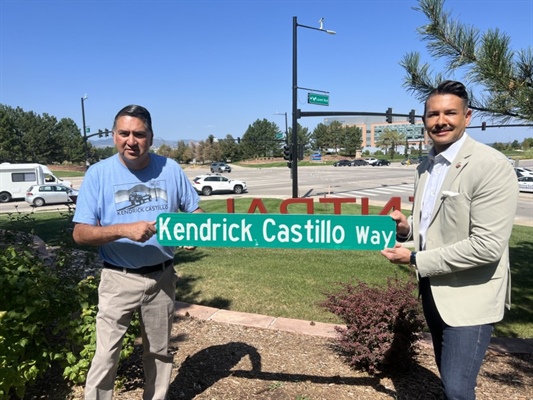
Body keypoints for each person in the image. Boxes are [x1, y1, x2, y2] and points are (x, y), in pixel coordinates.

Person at [380, 80, 518, 400]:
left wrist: (414, 259)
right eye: (433, 114)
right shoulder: (426, 166)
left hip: (471, 296)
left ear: (467, 117)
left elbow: (487, 246)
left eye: (450, 113)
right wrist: (405, 230)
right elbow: (435, 227)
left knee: (457, 388)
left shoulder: (490, 165)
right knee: (448, 377)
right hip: (433, 289)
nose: (440, 120)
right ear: (424, 120)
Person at [73, 104, 203, 399]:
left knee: (158, 352)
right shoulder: (98, 174)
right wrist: (123, 229)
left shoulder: (170, 169)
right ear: (114, 135)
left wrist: (192, 230)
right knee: (106, 354)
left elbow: (195, 211)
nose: (131, 141)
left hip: (162, 278)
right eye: (124, 133)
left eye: (139, 134)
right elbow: (80, 233)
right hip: (118, 278)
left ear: (151, 137)